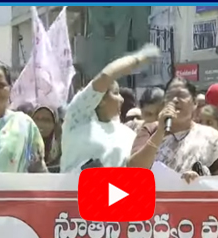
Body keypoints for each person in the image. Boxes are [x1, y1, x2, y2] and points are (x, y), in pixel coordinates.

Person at [60, 44, 161, 173]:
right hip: (75, 192)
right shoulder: (78, 118)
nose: (122, 99)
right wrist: (137, 59)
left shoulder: (128, 134)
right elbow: (106, 76)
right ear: (101, 99)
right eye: (116, 93)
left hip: (119, 192)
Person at [129, 77, 218, 178]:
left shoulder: (212, 138)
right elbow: (133, 170)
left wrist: (201, 178)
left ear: (195, 102)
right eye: (170, 96)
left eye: (181, 95)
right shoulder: (150, 130)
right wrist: (159, 133)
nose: (175, 100)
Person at [31, 106, 62, 173]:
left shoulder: (61, 150)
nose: (41, 124)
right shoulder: (24, 148)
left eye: (46, 120)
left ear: (55, 125)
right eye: (37, 119)